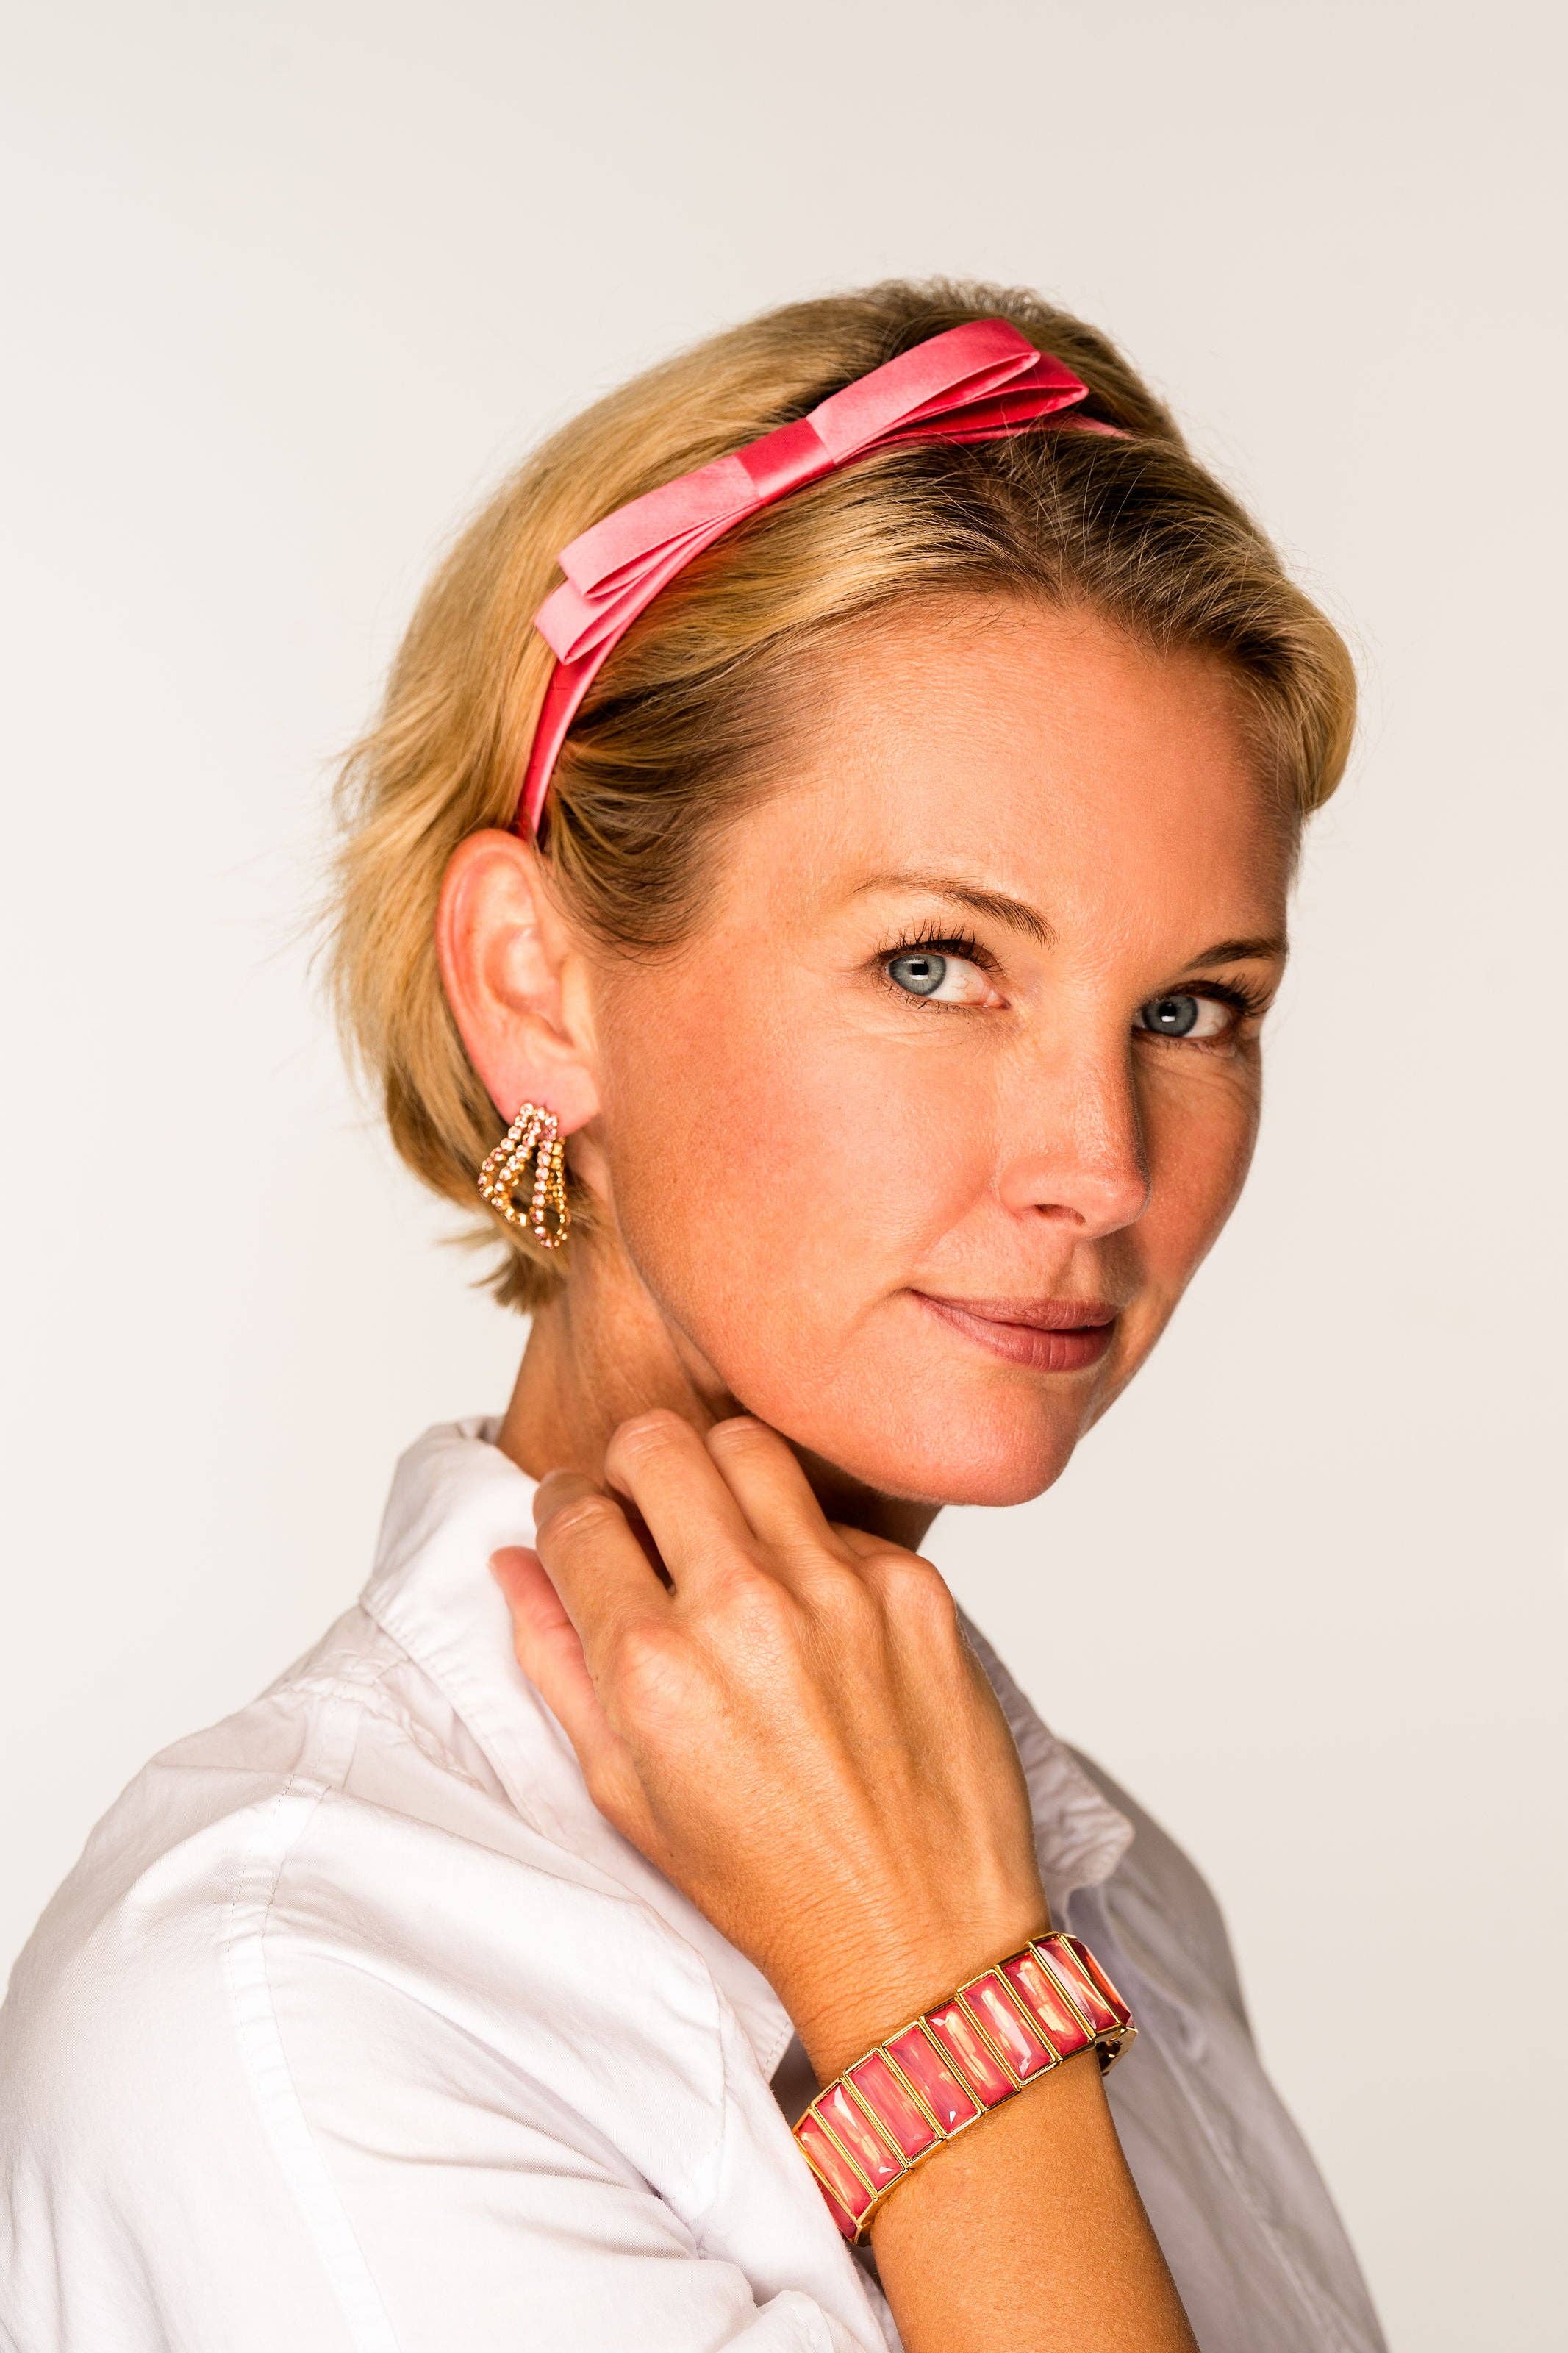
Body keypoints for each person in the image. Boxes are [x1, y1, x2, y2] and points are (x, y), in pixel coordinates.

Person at [0, 282, 1386, 2353]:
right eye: (936, 964)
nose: (1102, 1164)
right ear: (538, 986)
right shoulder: (285, 2012)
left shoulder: (1116, 1895)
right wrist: (953, 2017)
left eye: (1193, 1009)